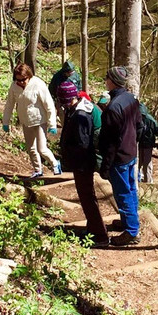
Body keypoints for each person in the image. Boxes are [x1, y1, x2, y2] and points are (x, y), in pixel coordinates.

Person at [57, 81, 107, 245]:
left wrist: (73, 159)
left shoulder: (80, 116)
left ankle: (100, 236)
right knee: (87, 197)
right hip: (82, 162)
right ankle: (93, 229)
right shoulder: (77, 109)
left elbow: (83, 143)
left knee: (87, 198)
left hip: (83, 163)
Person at [98, 66, 141, 246]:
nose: (105, 81)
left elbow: (110, 142)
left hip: (119, 158)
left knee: (123, 193)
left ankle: (131, 231)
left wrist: (105, 166)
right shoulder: (131, 98)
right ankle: (127, 221)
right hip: (130, 153)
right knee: (130, 190)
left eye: (107, 78)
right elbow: (139, 126)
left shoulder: (113, 108)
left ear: (112, 81)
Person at [2, 63, 60, 178]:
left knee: (42, 148)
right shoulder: (14, 87)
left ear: (29, 76)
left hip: (39, 120)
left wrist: (52, 124)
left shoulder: (38, 84)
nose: (21, 82)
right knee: (31, 149)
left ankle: (55, 164)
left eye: (23, 79)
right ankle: (38, 170)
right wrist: (5, 122)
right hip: (25, 121)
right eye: (18, 80)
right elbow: (9, 104)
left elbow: (49, 104)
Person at [136, 102, 158, 183]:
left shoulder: (151, 121)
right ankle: (136, 182)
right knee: (136, 164)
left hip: (148, 146)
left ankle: (148, 183)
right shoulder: (134, 119)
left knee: (147, 165)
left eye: (142, 115)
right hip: (137, 145)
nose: (141, 117)